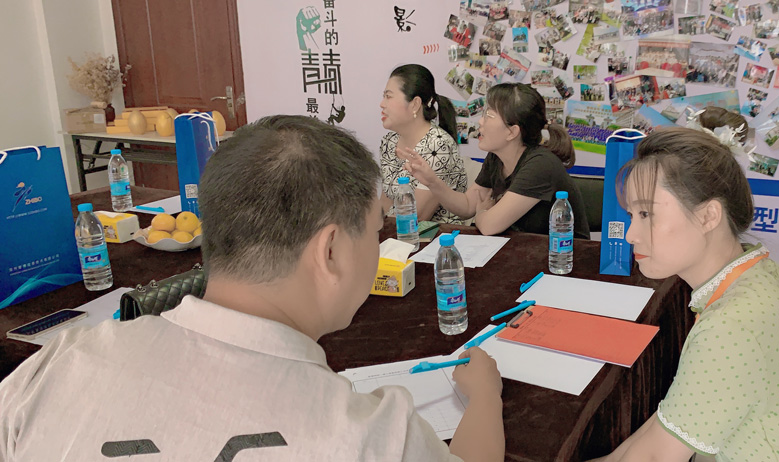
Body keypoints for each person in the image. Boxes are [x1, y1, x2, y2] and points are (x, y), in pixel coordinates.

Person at [0, 116, 504, 461]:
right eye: (375, 230)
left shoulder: (58, 365)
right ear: (330, 251)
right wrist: (484, 397)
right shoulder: (372, 435)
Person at [593, 128, 779, 461]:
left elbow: (657, 456)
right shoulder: (759, 270)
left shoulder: (731, 327)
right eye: (632, 215)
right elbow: (670, 419)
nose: (630, 235)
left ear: (708, 216)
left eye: (646, 215)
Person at [399, 83, 590, 238]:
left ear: (512, 132)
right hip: (524, 251)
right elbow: (468, 205)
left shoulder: (540, 165)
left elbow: (490, 225)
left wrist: (481, 213)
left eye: (489, 116)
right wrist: (432, 181)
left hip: (564, 256)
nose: (480, 122)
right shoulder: (496, 157)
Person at [380, 64, 468, 224]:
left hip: (436, 234)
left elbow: (416, 217)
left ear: (415, 104)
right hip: (395, 231)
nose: (382, 104)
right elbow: (386, 202)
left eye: (389, 96)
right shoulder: (389, 142)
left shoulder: (439, 145)